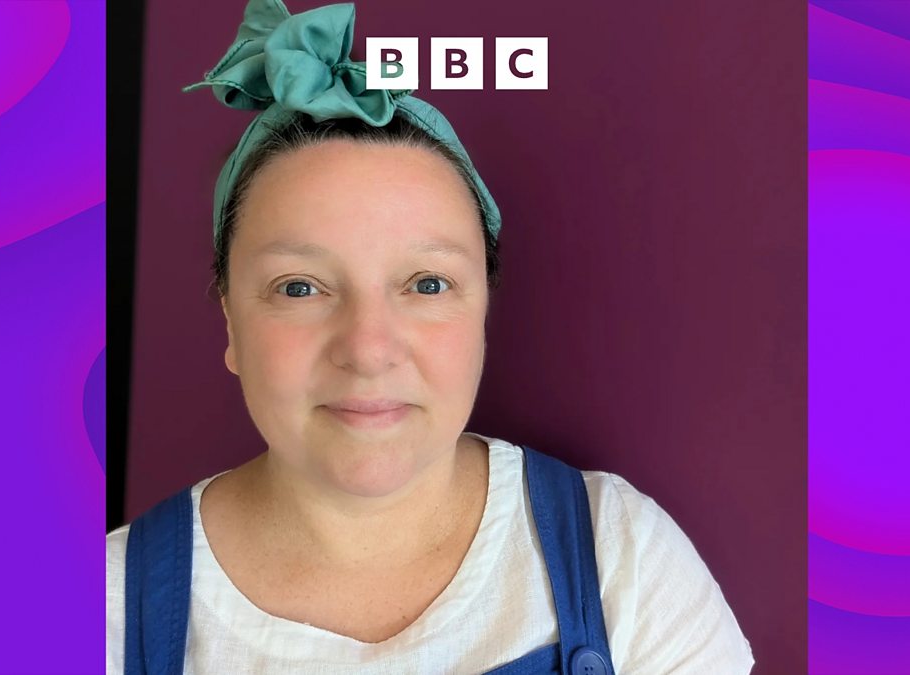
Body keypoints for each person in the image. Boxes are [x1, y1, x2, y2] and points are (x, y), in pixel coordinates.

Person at [106, 0, 755, 672]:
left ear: (482, 314)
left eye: (427, 283)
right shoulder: (98, 610)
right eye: (299, 287)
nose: (368, 349)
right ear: (230, 321)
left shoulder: (623, 559)